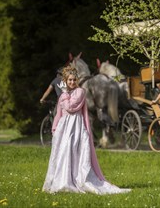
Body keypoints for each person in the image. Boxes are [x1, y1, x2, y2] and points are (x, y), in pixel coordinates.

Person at [42, 66, 131, 194]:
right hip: (64, 127)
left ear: (77, 80)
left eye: (74, 80)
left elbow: (70, 107)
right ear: (66, 81)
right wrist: (55, 128)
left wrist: (64, 94)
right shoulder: (65, 94)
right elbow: (59, 113)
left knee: (74, 150)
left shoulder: (80, 92)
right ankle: (63, 178)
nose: (72, 82)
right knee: (63, 152)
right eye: (69, 80)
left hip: (75, 126)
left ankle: (76, 179)